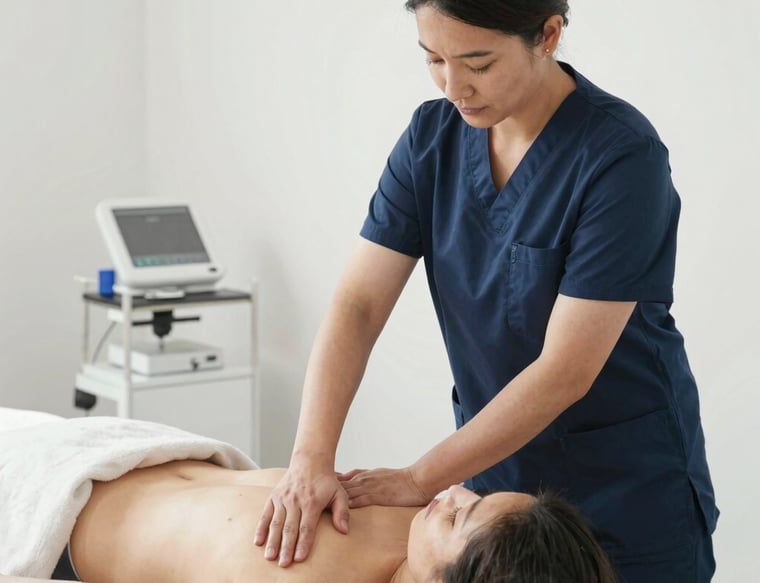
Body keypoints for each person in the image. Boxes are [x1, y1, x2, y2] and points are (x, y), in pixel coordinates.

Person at [254, 1, 718, 581]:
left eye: (478, 64)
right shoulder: (431, 139)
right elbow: (359, 306)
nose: (454, 88)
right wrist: (310, 459)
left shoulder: (621, 157)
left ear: (548, 35)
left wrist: (418, 480)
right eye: (434, 60)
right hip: (494, 492)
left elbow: (565, 371)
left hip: (623, 490)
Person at [0, 461, 617, 583]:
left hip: (57, 522)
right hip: (127, 457)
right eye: (475, 494)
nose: (451, 492)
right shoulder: (412, 521)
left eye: (460, 517)